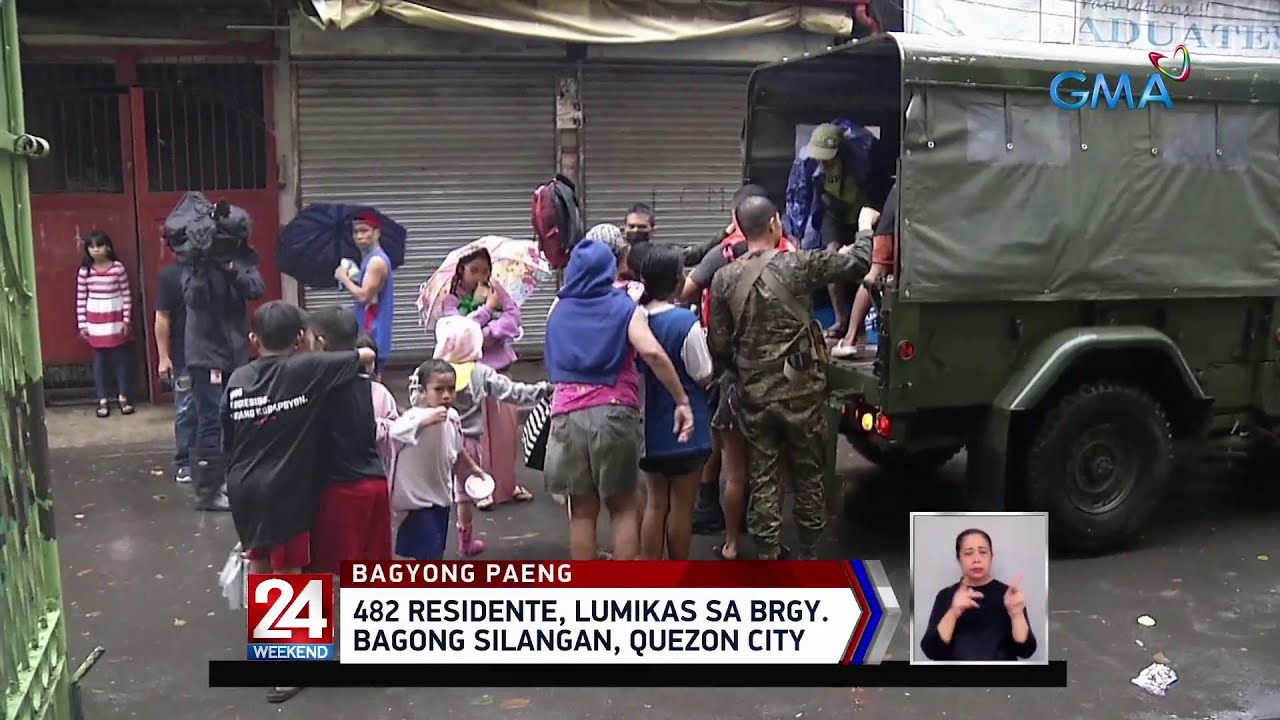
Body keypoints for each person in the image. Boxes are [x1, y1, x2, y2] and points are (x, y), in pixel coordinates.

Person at [220, 301, 373, 704]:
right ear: (301, 338)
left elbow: (226, 436)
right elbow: (363, 355)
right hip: (285, 489)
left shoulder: (238, 378)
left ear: (253, 340)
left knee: (259, 565)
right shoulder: (305, 369)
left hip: (243, 487)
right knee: (289, 572)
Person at [707, 196, 870, 560]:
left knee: (763, 475)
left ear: (740, 228)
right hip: (802, 392)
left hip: (754, 394)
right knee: (808, 473)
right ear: (775, 223)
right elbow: (858, 263)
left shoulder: (723, 278)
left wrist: (748, 367)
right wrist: (864, 227)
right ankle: (809, 552)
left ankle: (768, 554)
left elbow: (718, 344)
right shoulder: (799, 264)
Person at [544, 239, 694, 561]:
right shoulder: (624, 308)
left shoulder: (557, 310)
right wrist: (681, 400)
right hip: (613, 414)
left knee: (581, 512)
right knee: (624, 507)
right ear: (609, 270)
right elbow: (652, 353)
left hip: (566, 416)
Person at [681, 184, 797, 554]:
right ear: (773, 220)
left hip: (732, 377)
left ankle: (730, 543)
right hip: (780, 378)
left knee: (734, 469)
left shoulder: (723, 255)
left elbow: (690, 295)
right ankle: (770, 545)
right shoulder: (791, 254)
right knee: (773, 469)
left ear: (737, 218)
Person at [430, 316, 552, 556]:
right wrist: (543, 390)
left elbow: (416, 396)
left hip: (434, 439)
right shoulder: (480, 372)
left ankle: (433, 542)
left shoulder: (432, 372)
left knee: (434, 491)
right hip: (468, 443)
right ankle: (465, 542)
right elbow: (512, 392)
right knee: (463, 495)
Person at [635, 245, 714, 560]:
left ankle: (652, 575)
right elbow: (703, 373)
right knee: (682, 507)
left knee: (655, 504)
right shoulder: (684, 321)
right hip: (687, 431)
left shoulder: (635, 319)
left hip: (648, 430)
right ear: (676, 281)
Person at [440, 246, 532, 509]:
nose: (481, 276)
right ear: (462, 271)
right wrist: (487, 309)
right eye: (474, 271)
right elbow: (459, 330)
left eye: (485, 271)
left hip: (500, 370)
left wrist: (484, 333)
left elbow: (513, 320)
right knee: (476, 436)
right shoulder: (451, 301)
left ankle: (506, 484)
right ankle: (479, 488)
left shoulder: (498, 291)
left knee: (505, 432)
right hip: (470, 374)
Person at [305, 307, 394, 575]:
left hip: (341, 492)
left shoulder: (316, 383)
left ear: (320, 342)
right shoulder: (364, 381)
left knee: (331, 574)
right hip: (375, 485)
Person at [183, 233, 265, 512]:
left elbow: (256, 289)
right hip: (205, 355)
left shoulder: (240, 259)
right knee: (210, 420)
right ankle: (208, 491)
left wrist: (231, 268)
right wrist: (202, 268)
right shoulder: (193, 263)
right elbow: (194, 299)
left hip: (235, 353)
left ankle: (231, 480)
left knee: (235, 418)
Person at [386, 359, 484, 561]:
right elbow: (394, 433)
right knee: (429, 552)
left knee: (436, 550)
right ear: (423, 391)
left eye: (451, 389)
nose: (446, 395)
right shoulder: (414, 417)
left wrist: (473, 468)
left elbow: (457, 448)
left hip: (441, 496)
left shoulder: (452, 417)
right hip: (416, 502)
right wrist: (426, 421)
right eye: (438, 390)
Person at [920, 529, 1037, 662]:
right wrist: (954, 612)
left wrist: (1016, 615)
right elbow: (932, 651)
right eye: (968, 553)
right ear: (959, 559)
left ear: (991, 557)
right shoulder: (945, 595)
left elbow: (1026, 651)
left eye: (983, 552)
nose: (976, 559)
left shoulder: (1010, 595)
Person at [805, 123, 869, 339]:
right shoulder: (808, 164)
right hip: (831, 211)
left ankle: (863, 322)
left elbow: (877, 195)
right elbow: (800, 196)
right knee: (832, 258)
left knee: (866, 262)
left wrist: (857, 240)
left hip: (863, 212)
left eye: (828, 159)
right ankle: (840, 320)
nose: (823, 164)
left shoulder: (861, 164)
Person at [835, 181, 897, 358]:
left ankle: (850, 339)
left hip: (890, 229)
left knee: (873, 276)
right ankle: (850, 337)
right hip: (897, 230)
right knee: (875, 276)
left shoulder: (901, 186)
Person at [75, 230, 134, 418]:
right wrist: (82, 324)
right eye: (91, 247)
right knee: (99, 361)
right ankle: (102, 399)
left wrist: (126, 319)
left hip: (115, 317)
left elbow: (126, 294)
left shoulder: (118, 268)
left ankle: (123, 396)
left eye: (99, 246)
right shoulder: (85, 271)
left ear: (108, 247)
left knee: (120, 359)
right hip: (95, 320)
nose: (96, 250)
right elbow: (80, 298)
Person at [334, 210, 394, 378]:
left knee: (371, 378)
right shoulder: (369, 260)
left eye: (364, 230)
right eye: (355, 232)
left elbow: (364, 296)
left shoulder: (376, 262)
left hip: (372, 330)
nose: (359, 236)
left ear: (377, 232)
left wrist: (343, 278)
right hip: (369, 328)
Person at [155, 257, 196, 483]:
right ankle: (185, 461)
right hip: (184, 354)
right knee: (186, 409)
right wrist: (163, 356)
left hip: (216, 351)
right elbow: (162, 316)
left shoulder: (218, 269)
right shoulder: (171, 275)